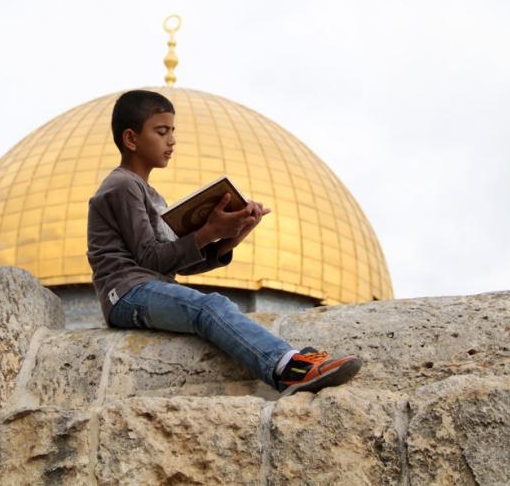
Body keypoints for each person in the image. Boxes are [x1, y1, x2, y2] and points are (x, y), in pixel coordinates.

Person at [86, 89, 361, 395]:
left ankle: (291, 360)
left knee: (210, 305)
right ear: (131, 139)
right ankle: (287, 369)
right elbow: (151, 259)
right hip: (125, 294)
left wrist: (229, 237)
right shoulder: (121, 185)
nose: (172, 141)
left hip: (146, 289)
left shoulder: (149, 193)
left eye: (173, 131)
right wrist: (209, 231)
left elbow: (174, 263)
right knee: (211, 306)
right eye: (161, 132)